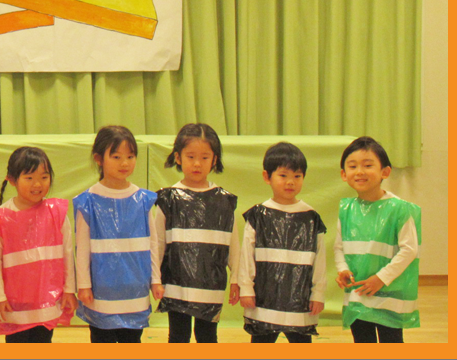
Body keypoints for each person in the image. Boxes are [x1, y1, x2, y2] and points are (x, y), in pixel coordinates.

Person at [151, 123, 239, 343]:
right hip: (176, 284)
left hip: (211, 285)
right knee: (178, 336)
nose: (197, 163)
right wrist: (154, 279)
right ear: (178, 157)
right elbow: (157, 243)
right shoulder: (169, 199)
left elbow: (233, 245)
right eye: (191, 157)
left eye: (204, 157)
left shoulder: (224, 201)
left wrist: (238, 278)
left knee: (207, 337)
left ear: (214, 160)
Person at [237, 142, 326, 343]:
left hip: (300, 302)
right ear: (267, 176)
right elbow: (247, 255)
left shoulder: (311, 218)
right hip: (264, 300)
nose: (290, 182)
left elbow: (320, 260)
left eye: (297, 176)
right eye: (283, 175)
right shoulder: (258, 215)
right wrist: (246, 288)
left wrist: (318, 293)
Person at [334, 136, 420, 343]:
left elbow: (409, 249)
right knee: (363, 341)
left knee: (391, 342)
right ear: (344, 174)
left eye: (368, 165)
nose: (360, 171)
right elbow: (339, 246)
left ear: (385, 172)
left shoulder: (399, 208)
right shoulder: (347, 209)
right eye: (352, 166)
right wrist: (343, 269)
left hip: (389, 293)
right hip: (358, 292)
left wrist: (381, 278)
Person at [74, 126, 156, 343]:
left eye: (130, 156)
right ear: (99, 159)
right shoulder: (87, 201)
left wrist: (156, 280)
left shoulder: (143, 199)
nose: (125, 163)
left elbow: (153, 244)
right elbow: (81, 249)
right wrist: (83, 285)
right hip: (101, 293)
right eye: (117, 156)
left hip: (135, 292)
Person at [0, 146, 76, 343]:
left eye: (44, 177)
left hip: (47, 304)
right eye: (29, 178)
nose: (37, 184)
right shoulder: (0, 218)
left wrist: (69, 290)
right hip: (15, 306)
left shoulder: (56, 213)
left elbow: (67, 253)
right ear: (12, 180)